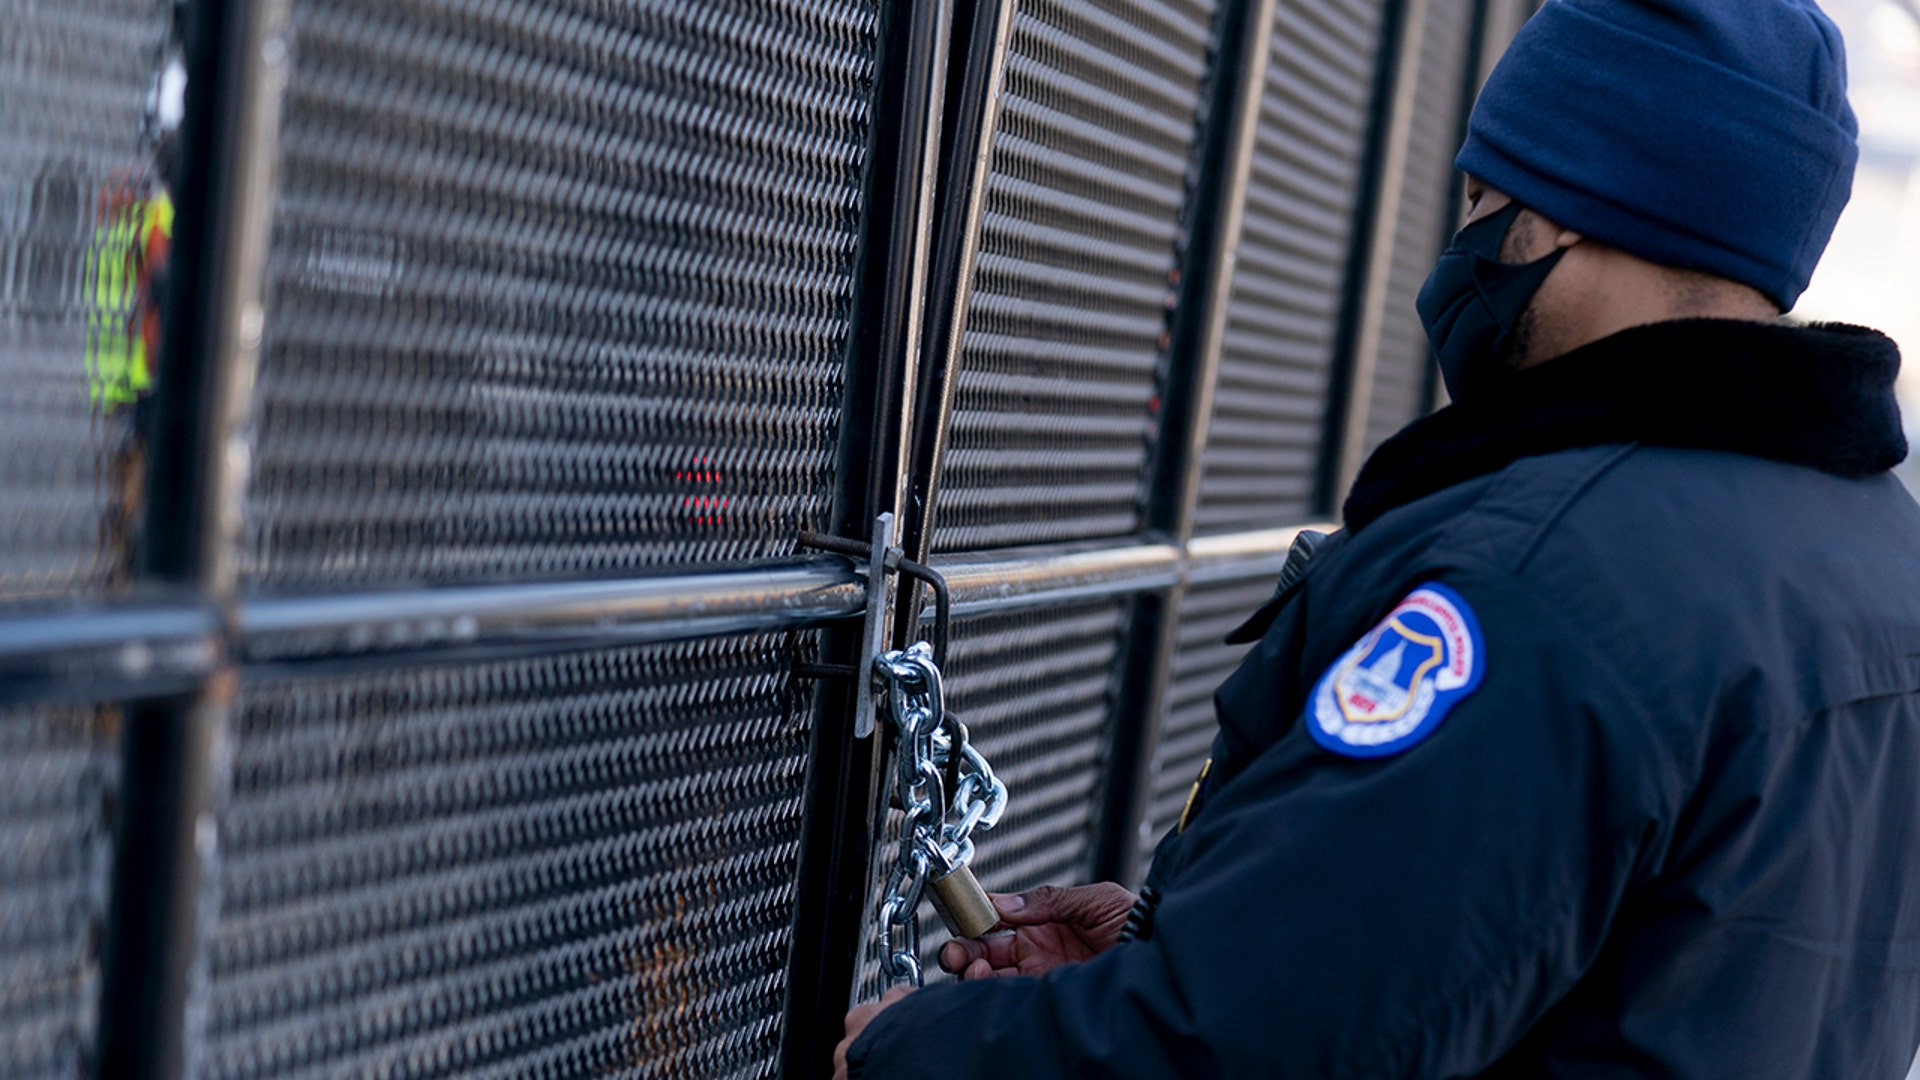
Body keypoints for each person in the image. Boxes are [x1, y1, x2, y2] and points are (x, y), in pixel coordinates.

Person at [837, 0, 1920, 1075]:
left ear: (1575, 207)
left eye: (1485, 197)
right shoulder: (1882, 565)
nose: (1466, 245)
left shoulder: (1542, 583)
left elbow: (1267, 1052)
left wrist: (928, 1054)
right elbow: (1626, 961)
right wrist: (1180, 944)